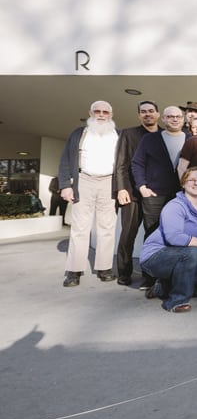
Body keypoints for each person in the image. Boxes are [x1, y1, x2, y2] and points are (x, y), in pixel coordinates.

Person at [139, 167, 197, 313]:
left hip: (185, 255)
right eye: (191, 180)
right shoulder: (175, 206)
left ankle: (162, 287)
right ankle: (176, 301)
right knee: (194, 253)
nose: (196, 183)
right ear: (183, 184)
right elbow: (173, 237)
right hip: (156, 256)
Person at [59, 101, 119, 287]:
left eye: (105, 112)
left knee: (107, 227)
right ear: (90, 113)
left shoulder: (118, 135)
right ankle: (74, 271)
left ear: (111, 114)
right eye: (97, 111)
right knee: (79, 227)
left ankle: (104, 268)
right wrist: (65, 185)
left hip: (109, 182)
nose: (101, 115)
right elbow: (65, 160)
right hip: (83, 180)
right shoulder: (79, 133)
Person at [113, 100, 160, 286]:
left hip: (155, 195)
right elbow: (121, 163)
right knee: (128, 234)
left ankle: (150, 275)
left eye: (151, 111)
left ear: (157, 114)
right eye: (143, 111)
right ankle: (124, 273)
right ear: (139, 115)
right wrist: (121, 188)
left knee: (153, 235)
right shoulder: (128, 134)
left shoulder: (164, 134)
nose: (148, 114)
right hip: (131, 193)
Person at [131, 106, 189, 241]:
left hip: (181, 195)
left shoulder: (191, 140)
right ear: (163, 118)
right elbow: (137, 163)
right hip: (154, 195)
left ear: (183, 119)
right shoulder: (150, 139)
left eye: (178, 116)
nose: (175, 119)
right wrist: (142, 187)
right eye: (170, 116)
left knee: (178, 232)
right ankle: (151, 255)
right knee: (153, 233)